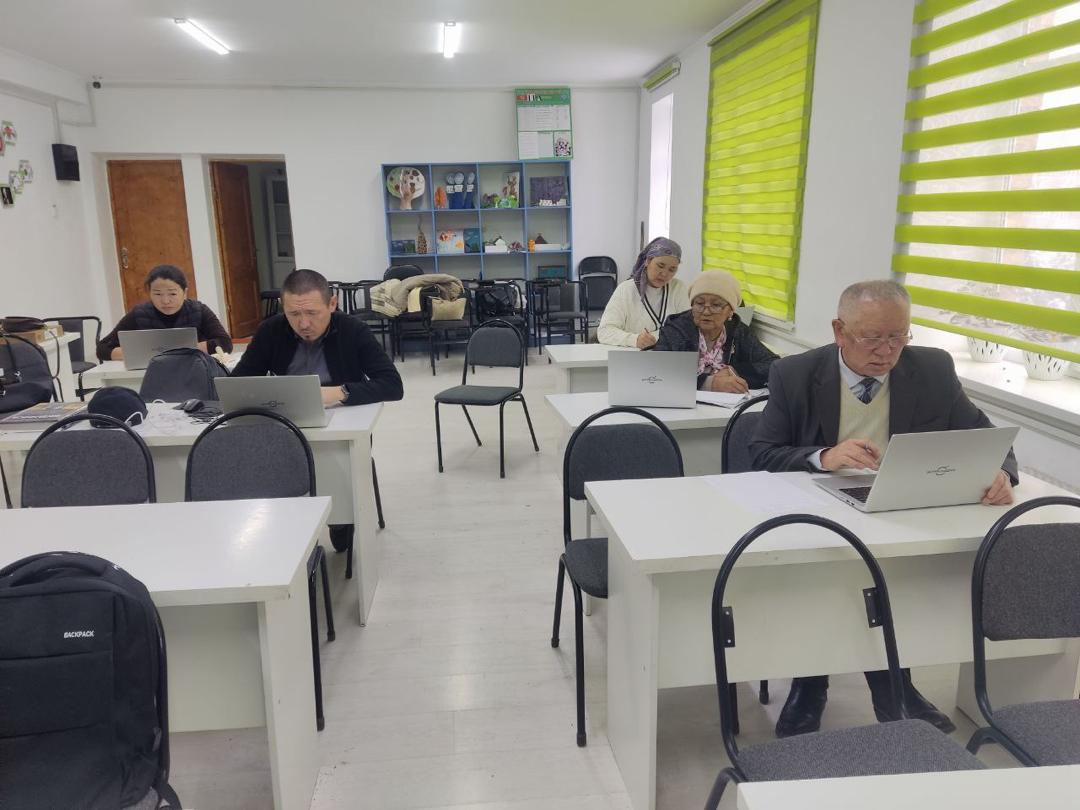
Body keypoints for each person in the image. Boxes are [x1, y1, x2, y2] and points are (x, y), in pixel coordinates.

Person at [749, 279, 1018, 739]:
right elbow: (761, 453)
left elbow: (987, 436)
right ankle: (812, 682)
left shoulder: (933, 368)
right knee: (833, 571)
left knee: (897, 578)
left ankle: (893, 683)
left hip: (899, 510)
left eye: (898, 336)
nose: (887, 351)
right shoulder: (794, 374)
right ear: (839, 330)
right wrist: (823, 456)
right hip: (818, 512)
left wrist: (1001, 472)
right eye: (872, 337)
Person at [232, 268, 403, 406]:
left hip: (343, 413)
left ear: (332, 304)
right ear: (282, 307)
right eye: (294, 314)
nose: (304, 324)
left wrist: (340, 392)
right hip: (287, 415)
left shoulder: (353, 330)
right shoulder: (270, 330)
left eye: (312, 313)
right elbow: (236, 386)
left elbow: (392, 385)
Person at [654, 270, 777, 391]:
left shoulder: (738, 330)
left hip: (729, 403)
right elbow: (657, 372)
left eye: (716, 305)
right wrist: (708, 383)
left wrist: (734, 371)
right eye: (699, 303)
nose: (706, 312)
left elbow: (774, 364)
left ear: (731, 311)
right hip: (685, 401)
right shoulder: (676, 329)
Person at [96, 265, 233, 362]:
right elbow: (102, 349)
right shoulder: (139, 314)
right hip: (151, 374)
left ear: (184, 292)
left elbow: (225, 343)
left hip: (193, 370)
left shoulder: (199, 310)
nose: (165, 301)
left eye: (172, 294)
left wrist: (178, 351)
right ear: (149, 293)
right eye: (157, 294)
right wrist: (143, 354)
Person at [597, 237, 690, 348]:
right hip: (632, 354)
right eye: (660, 266)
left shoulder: (678, 288)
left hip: (669, 355)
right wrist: (635, 339)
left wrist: (656, 337)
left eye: (672, 269)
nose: (664, 274)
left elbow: (686, 328)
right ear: (648, 261)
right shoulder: (626, 290)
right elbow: (605, 331)